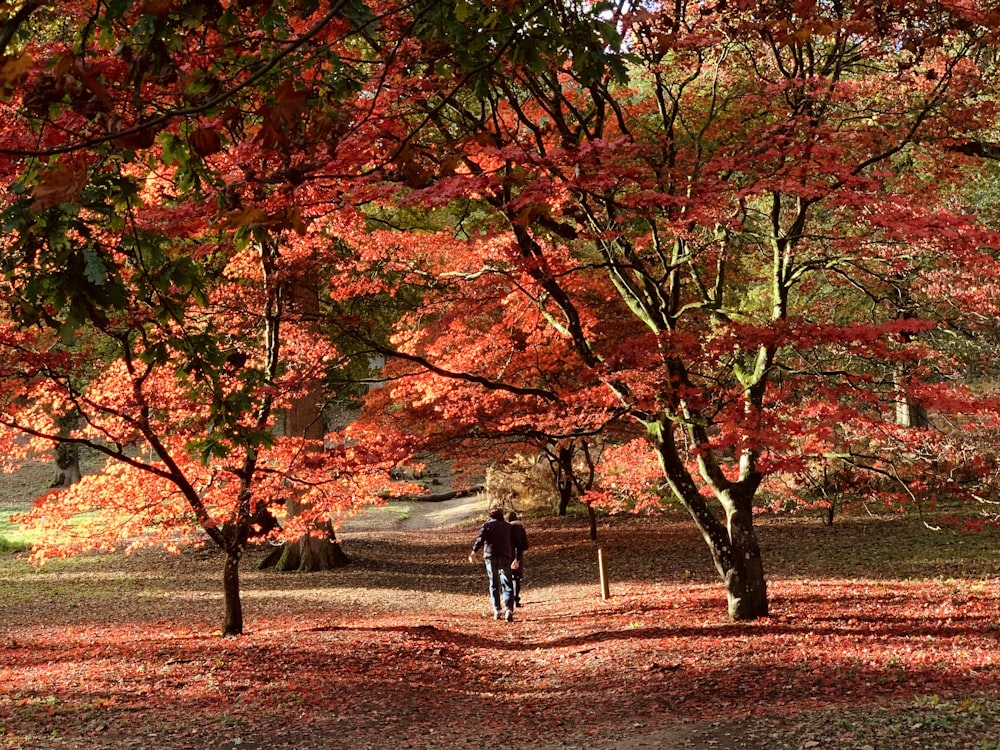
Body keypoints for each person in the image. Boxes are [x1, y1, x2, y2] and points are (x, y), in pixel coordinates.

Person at [468, 507, 516, 622]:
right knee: (507, 583)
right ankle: (509, 609)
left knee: (493, 583)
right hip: (505, 556)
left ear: (490, 516)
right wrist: (516, 558)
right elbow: (514, 542)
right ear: (501, 516)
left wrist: (474, 551)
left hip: (490, 556)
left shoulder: (487, 526)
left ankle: (497, 610)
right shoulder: (509, 527)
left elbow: (480, 539)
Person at [507, 511, 529, 607]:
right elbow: (525, 545)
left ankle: (508, 600)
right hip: (518, 554)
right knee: (516, 578)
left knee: (508, 578)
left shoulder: (505, 528)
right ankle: (516, 599)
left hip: (507, 554)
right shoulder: (520, 527)